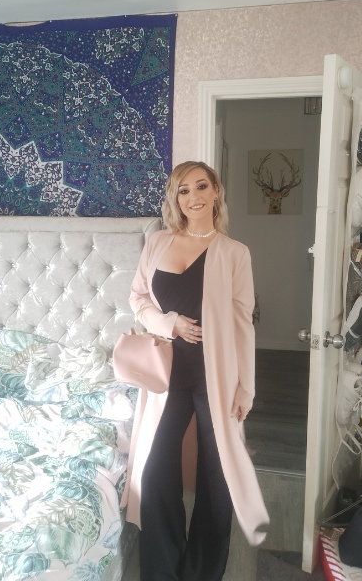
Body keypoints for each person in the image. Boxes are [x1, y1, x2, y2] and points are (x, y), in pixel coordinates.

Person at [120, 161, 269, 581]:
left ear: (216, 191)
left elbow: (242, 324)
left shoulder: (235, 253)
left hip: (214, 376)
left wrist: (246, 388)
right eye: (183, 190)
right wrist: (169, 323)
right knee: (155, 470)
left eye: (201, 187)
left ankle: (202, 573)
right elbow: (137, 298)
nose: (193, 197)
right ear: (175, 198)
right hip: (167, 375)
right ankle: (163, 570)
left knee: (217, 478)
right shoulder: (157, 243)